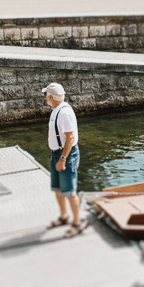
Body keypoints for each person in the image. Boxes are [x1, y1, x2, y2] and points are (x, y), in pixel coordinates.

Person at [43, 83, 83, 238]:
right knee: (58, 188)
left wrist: (63, 159)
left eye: (46, 94)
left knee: (70, 191)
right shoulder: (56, 110)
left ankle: (77, 223)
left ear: (51, 97)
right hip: (56, 154)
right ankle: (64, 216)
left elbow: (70, 138)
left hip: (65, 155)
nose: (45, 97)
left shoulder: (64, 113)